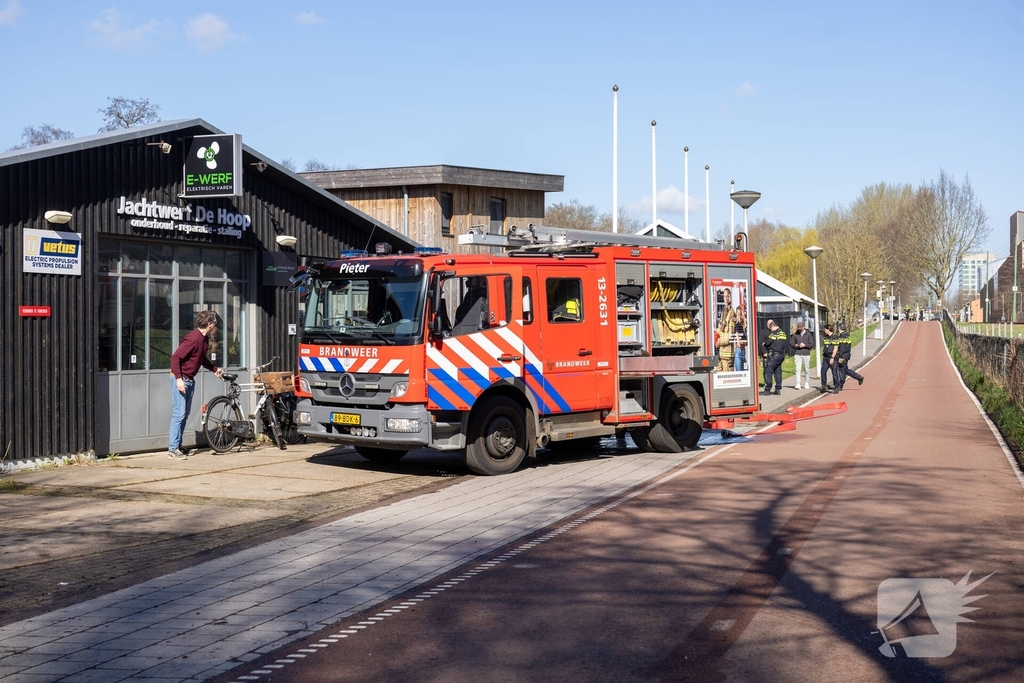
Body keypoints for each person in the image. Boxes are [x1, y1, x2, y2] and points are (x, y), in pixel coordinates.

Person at [169, 310, 224, 459]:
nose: (215, 326)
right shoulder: (193, 338)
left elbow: (201, 359)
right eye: (214, 323)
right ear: (209, 324)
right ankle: (173, 449)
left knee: (184, 415)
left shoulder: (204, 339)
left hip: (189, 380)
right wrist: (179, 380)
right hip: (181, 379)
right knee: (179, 414)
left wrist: (214, 369)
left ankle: (178, 445)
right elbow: (175, 358)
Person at [760, 319, 787, 395]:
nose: (770, 330)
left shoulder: (774, 333)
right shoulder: (783, 333)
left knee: (768, 370)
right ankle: (778, 389)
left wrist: (764, 344)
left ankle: (767, 389)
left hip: (774, 355)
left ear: (772, 327)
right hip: (781, 355)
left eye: (770, 328)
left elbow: (768, 342)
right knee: (777, 371)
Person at [835, 323, 864, 390]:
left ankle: (840, 385)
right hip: (847, 354)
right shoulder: (847, 335)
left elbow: (842, 347)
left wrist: (840, 357)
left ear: (839, 329)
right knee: (845, 369)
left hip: (843, 355)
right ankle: (858, 377)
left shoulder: (842, 337)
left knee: (842, 370)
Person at [715, 288, 738, 372]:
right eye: (724, 297)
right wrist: (714, 337)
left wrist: (719, 342)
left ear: (730, 297)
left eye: (727, 296)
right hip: (721, 352)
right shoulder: (724, 311)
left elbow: (730, 335)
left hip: (728, 353)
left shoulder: (732, 313)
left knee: (727, 378)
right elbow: (720, 328)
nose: (726, 299)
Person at [789, 321, 814, 389]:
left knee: (806, 369)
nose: (799, 330)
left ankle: (806, 382)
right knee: (798, 369)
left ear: (803, 327)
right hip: (798, 353)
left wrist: (805, 345)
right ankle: (798, 383)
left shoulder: (808, 334)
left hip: (806, 354)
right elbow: (791, 343)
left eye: (800, 328)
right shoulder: (795, 334)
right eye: (798, 328)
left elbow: (811, 344)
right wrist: (796, 345)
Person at [819, 323, 838, 393]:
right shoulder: (826, 337)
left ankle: (836, 386)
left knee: (834, 373)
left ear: (828, 329)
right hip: (825, 357)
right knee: (823, 371)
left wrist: (832, 357)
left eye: (825, 329)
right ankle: (823, 385)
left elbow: (835, 348)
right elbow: (825, 347)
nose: (824, 331)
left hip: (832, 357)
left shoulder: (835, 337)